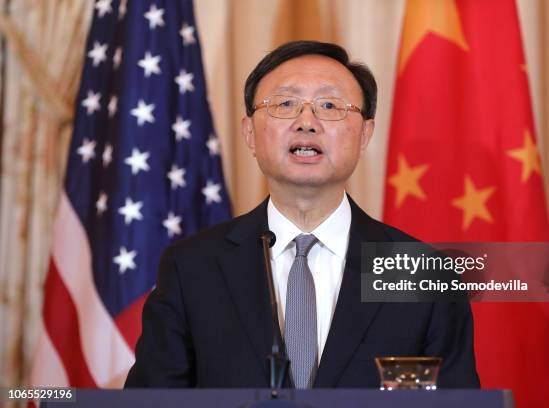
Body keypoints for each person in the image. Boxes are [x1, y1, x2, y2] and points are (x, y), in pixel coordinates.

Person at [125, 40, 480, 388]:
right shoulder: (192, 267)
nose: (306, 121)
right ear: (249, 132)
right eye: (285, 103)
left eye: (329, 104)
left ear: (365, 135)